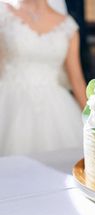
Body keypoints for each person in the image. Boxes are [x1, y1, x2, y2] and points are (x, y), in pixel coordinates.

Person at [0, 0, 87, 156]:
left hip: (56, 108)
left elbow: (77, 80)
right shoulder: (4, 14)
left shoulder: (68, 26)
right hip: (7, 102)